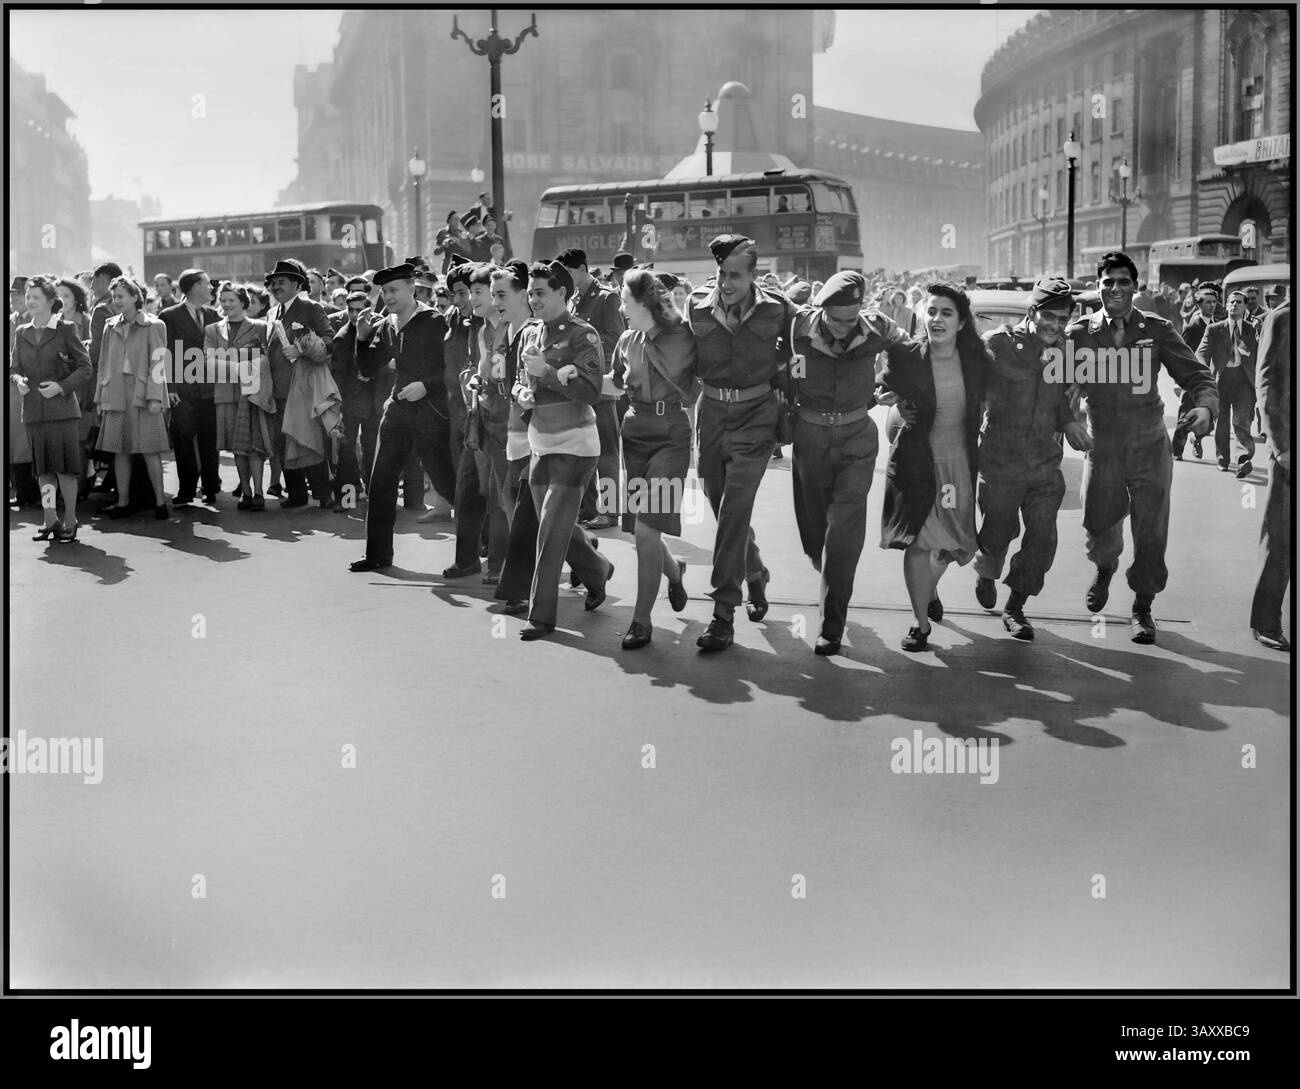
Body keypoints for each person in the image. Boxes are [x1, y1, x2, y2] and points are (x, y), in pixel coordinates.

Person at [1064, 251, 1217, 644]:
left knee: (1151, 530)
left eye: (1123, 282)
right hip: (1104, 445)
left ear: (1136, 286)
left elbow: (1196, 374)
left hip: (1150, 443)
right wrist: (1068, 420)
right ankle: (1105, 566)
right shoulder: (1079, 333)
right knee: (1099, 525)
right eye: (1108, 282)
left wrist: (1203, 406)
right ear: (1098, 288)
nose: (1115, 288)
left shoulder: (1158, 329)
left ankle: (1143, 606)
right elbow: (1060, 387)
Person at [786, 271, 912, 655]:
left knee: (843, 529)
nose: (844, 328)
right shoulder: (796, 326)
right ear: (821, 308)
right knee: (815, 535)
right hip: (809, 438)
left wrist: (898, 385)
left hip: (857, 438)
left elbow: (912, 351)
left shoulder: (876, 327)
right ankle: (825, 573)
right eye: (837, 319)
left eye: (851, 319)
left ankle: (832, 624)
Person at [683, 234, 794, 652]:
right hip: (710, 417)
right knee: (719, 504)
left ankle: (723, 613)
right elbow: (682, 352)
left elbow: (804, 347)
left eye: (735, 276)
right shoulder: (694, 304)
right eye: (721, 274)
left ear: (753, 276)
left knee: (733, 511)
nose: (726, 283)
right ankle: (755, 570)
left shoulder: (777, 309)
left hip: (755, 420)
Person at [973, 277, 1093, 639]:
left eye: (1063, 319)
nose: (1057, 327)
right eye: (1050, 318)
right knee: (997, 530)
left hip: (1044, 461)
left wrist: (1070, 422)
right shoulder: (996, 345)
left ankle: (1016, 606)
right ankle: (987, 568)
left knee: (1043, 538)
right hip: (1000, 460)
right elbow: (971, 392)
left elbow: (1059, 398)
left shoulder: (1064, 350)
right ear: (1032, 312)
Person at [877, 282, 988, 651]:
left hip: (958, 468)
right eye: (932, 311)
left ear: (960, 323)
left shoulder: (977, 360)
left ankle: (929, 589)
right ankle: (919, 622)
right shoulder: (905, 355)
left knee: (953, 544)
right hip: (916, 464)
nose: (936, 319)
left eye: (946, 313)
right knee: (918, 543)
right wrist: (891, 402)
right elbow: (879, 388)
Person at [513, 261, 614, 640]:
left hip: (576, 445)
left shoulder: (583, 336)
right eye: (531, 292)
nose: (533, 299)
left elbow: (592, 392)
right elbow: (519, 384)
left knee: (551, 531)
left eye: (540, 292)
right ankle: (598, 569)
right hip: (541, 443)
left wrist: (547, 374)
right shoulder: (529, 334)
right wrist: (521, 392)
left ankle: (541, 615)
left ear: (561, 293)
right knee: (555, 526)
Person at [606, 269, 696, 649]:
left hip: (671, 435)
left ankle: (640, 622)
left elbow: (705, 379)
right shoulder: (626, 340)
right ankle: (674, 574)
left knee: (645, 529)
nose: (622, 307)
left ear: (644, 303)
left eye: (625, 300)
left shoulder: (684, 337)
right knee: (643, 527)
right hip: (635, 433)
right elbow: (612, 383)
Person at [348, 263, 458, 571]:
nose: (388, 296)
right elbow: (368, 369)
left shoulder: (434, 322)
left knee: (447, 483)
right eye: (384, 291)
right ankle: (378, 555)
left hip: (431, 413)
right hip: (397, 412)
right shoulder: (385, 324)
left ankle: (492, 544)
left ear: (413, 289)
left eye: (394, 290)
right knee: (380, 483)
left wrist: (426, 386)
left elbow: (451, 370)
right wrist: (361, 337)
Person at [8, 275, 94, 541]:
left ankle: (70, 518)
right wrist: (19, 380)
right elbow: (14, 369)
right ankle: (49, 519)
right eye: (28, 297)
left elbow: (85, 368)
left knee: (66, 468)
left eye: (35, 297)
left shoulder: (66, 328)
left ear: (49, 301)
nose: (30, 301)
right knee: (43, 470)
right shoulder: (22, 332)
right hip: (33, 411)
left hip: (62, 411)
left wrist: (62, 386)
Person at [558, 247, 627, 531]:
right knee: (583, 448)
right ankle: (587, 508)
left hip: (601, 382)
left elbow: (617, 338)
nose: (566, 279)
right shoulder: (574, 300)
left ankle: (610, 511)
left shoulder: (607, 298)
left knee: (607, 449)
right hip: (578, 385)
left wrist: (585, 351)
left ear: (584, 269)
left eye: (570, 273)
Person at [93, 276, 171, 522]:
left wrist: (156, 397)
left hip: (145, 393)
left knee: (150, 450)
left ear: (136, 297)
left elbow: (159, 363)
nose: (116, 301)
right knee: (120, 450)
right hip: (116, 391)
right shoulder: (109, 325)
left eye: (121, 297)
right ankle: (123, 502)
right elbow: (104, 363)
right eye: (114, 297)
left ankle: (160, 503)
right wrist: (101, 397)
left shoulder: (154, 325)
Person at [263, 258, 334, 507]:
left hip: (302, 387)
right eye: (273, 283)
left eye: (281, 282)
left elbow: (329, 339)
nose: (275, 287)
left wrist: (300, 349)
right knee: (284, 441)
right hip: (278, 388)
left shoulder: (310, 307)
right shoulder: (272, 312)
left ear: (297, 283)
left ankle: (323, 494)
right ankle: (296, 495)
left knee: (309, 440)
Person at [159, 267, 221, 505]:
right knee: (183, 438)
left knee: (210, 438)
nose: (211, 288)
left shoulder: (214, 315)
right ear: (195, 287)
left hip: (209, 389)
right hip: (182, 391)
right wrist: (170, 387)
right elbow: (165, 354)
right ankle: (186, 489)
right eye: (207, 284)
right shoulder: (169, 316)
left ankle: (211, 486)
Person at [206, 283, 270, 509]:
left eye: (231, 300)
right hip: (226, 395)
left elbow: (266, 359)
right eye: (223, 300)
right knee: (237, 447)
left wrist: (236, 363)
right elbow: (209, 364)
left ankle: (259, 492)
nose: (226, 304)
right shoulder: (212, 330)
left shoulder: (260, 327)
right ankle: (246, 491)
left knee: (255, 445)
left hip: (254, 394)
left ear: (243, 302)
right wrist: (243, 365)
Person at [1249, 302, 1290, 651]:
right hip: (1290, 449)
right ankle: (1266, 621)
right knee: (1281, 539)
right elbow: (1266, 383)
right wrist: (1280, 446)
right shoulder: (1282, 317)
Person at [1195, 290, 1259, 478]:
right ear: (1227, 305)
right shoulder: (1215, 329)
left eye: (1239, 302)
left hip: (1244, 382)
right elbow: (1201, 352)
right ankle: (1223, 459)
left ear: (1245, 306)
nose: (1234, 305)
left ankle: (1242, 459)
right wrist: (1202, 372)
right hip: (1221, 381)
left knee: (1241, 421)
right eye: (1231, 302)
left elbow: (1261, 352)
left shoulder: (1251, 329)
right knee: (1222, 422)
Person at [1171, 286, 1219, 459]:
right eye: (1208, 302)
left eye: (1214, 302)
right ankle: (1177, 450)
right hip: (1191, 379)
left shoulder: (1218, 325)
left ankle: (1197, 440)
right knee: (1185, 415)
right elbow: (1181, 354)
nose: (1212, 305)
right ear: (1199, 305)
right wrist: (1178, 381)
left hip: (1211, 378)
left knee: (1209, 417)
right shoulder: (1192, 327)